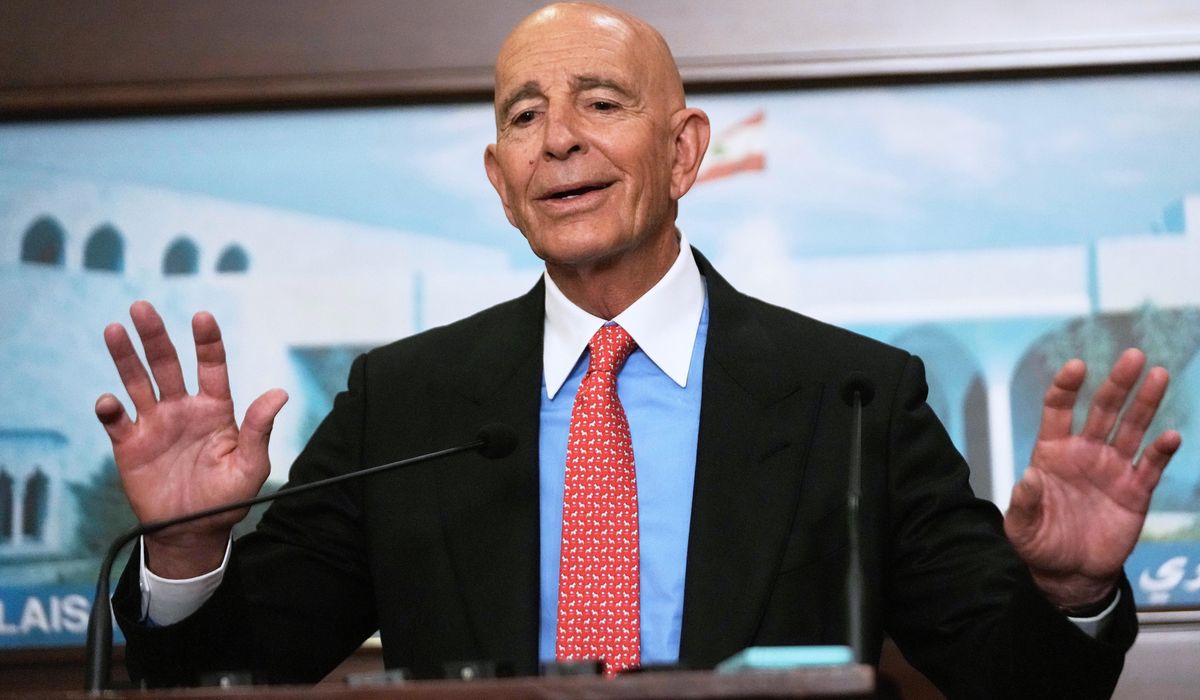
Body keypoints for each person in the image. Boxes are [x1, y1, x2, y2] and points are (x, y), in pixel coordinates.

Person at [96, 3, 1181, 696]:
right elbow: (234, 671)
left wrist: (1071, 592)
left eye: (600, 102)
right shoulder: (406, 401)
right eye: (525, 116)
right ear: (501, 181)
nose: (559, 138)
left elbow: (1014, 680)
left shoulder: (851, 396)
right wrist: (184, 555)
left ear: (683, 152)